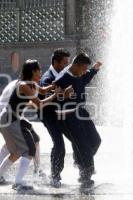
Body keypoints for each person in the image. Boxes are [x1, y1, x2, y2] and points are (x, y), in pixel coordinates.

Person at [0, 59, 72, 191]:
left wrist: (52, 87)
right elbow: (39, 103)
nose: (41, 72)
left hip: (11, 118)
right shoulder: (24, 85)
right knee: (29, 150)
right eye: (39, 70)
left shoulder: (31, 84)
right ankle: (18, 182)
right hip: (10, 118)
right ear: (33, 71)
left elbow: (43, 91)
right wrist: (55, 95)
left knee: (16, 152)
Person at [54, 52, 102, 188]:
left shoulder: (79, 75)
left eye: (86, 69)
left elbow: (86, 77)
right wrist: (64, 95)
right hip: (68, 117)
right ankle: (85, 176)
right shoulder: (62, 79)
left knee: (96, 140)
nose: (84, 72)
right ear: (75, 65)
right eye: (83, 69)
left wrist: (95, 69)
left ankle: (80, 161)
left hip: (81, 113)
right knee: (84, 146)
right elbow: (53, 98)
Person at [38, 48, 71, 187]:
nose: (67, 65)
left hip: (61, 113)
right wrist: (64, 94)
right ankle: (55, 176)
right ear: (56, 62)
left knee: (77, 140)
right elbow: (47, 98)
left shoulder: (64, 74)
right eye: (65, 62)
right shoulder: (48, 78)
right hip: (49, 115)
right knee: (59, 144)